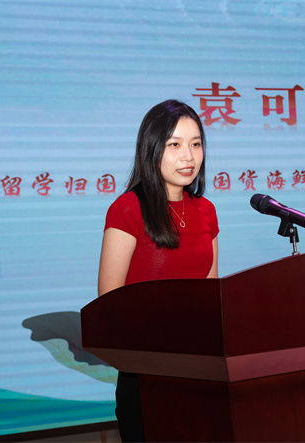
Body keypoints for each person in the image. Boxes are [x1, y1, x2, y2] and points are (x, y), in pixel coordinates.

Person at [97, 99, 219, 442]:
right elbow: (109, 301)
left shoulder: (206, 210)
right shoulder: (128, 208)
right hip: (146, 372)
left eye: (196, 144)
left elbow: (211, 293)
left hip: (201, 371)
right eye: (175, 145)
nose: (189, 156)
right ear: (152, 149)